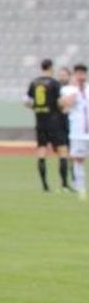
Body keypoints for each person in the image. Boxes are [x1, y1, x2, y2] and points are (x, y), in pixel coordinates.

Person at [26, 58, 72, 193]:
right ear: (51, 67)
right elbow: (60, 102)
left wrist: (37, 108)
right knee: (63, 151)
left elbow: (27, 102)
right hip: (54, 122)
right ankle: (64, 185)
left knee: (41, 152)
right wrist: (65, 106)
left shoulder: (34, 83)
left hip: (40, 122)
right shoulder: (54, 83)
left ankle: (45, 186)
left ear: (41, 67)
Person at [60, 64, 88, 201]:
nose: (81, 76)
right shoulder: (68, 90)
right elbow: (65, 106)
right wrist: (77, 91)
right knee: (78, 159)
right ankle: (81, 189)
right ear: (74, 75)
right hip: (78, 132)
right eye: (78, 74)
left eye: (83, 73)